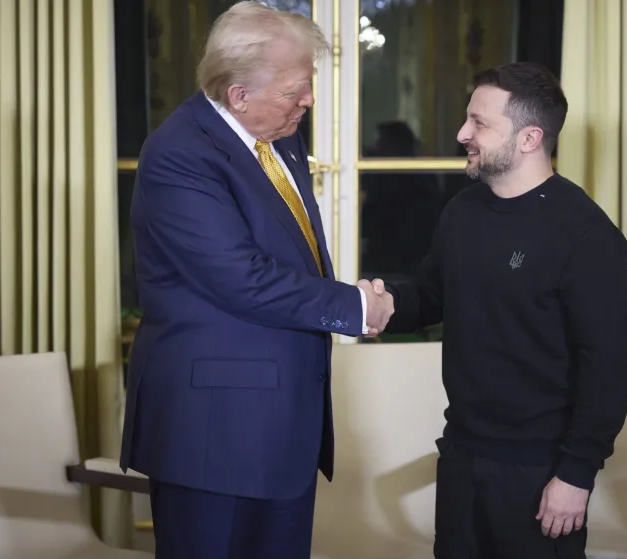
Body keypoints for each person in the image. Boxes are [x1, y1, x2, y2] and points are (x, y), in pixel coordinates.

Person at [118, 3, 394, 558]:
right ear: (238, 95)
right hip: (213, 432)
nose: (309, 101)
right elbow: (238, 276)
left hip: (283, 428)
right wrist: (353, 307)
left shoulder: (279, 133)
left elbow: (291, 252)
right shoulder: (179, 154)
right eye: (296, 90)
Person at [365, 62, 627, 558]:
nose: (462, 133)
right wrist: (379, 305)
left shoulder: (589, 236)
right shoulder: (462, 211)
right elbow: (430, 296)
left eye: (479, 123)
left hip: (542, 469)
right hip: (462, 453)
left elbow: (608, 369)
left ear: (530, 138)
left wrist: (576, 474)